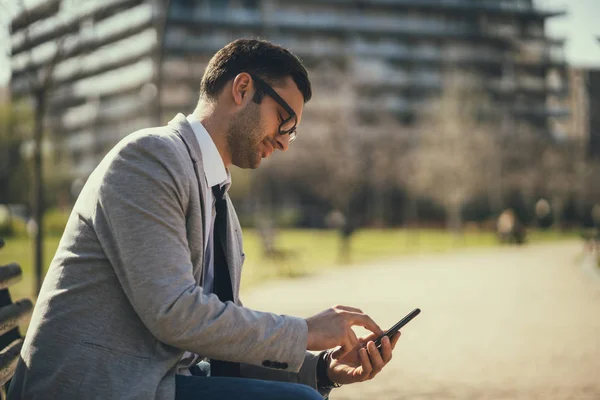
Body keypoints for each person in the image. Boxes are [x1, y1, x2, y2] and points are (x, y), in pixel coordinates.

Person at [8, 39, 400, 400]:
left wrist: (323, 370)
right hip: (95, 386)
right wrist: (306, 331)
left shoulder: (221, 207)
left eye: (292, 131)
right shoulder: (149, 159)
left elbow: (216, 340)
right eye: (283, 118)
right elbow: (175, 313)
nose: (283, 140)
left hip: (159, 382)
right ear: (242, 88)